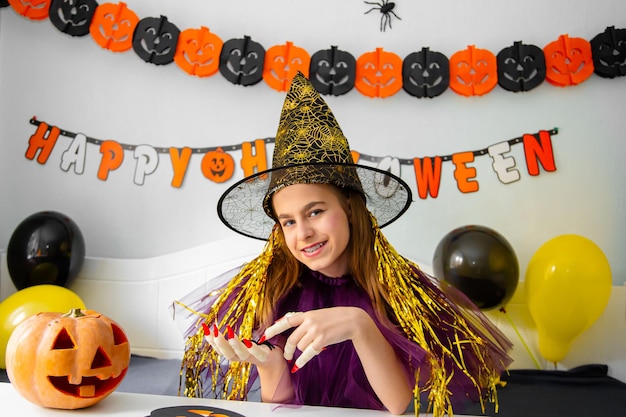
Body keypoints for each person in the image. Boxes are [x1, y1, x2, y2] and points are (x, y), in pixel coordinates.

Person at [175, 72, 513, 416]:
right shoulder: (274, 288)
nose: (303, 232)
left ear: (349, 209)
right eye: (288, 221)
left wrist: (359, 324)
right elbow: (285, 407)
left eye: (316, 212)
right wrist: (270, 366)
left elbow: (397, 405)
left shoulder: (396, 288)